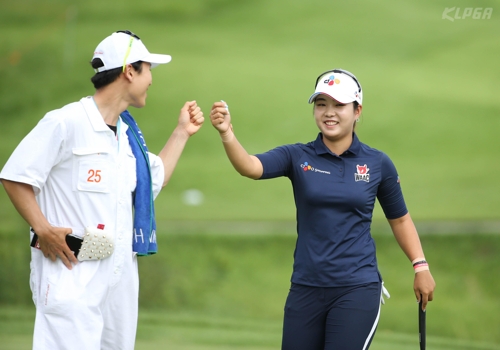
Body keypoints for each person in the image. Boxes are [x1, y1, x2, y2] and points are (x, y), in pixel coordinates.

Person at [0, 30, 204, 350]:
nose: (151, 78)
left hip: (119, 279)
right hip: (71, 275)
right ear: (129, 71)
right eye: (148, 69)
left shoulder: (126, 135)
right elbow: (15, 176)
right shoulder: (66, 122)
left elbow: (153, 181)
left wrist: (181, 133)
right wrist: (42, 227)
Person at [209, 69, 435, 350]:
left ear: (357, 110)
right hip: (306, 286)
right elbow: (250, 167)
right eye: (321, 104)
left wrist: (420, 266)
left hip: (357, 287)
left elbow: (400, 219)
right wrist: (227, 134)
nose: (329, 112)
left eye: (339, 105)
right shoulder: (297, 156)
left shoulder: (377, 163)